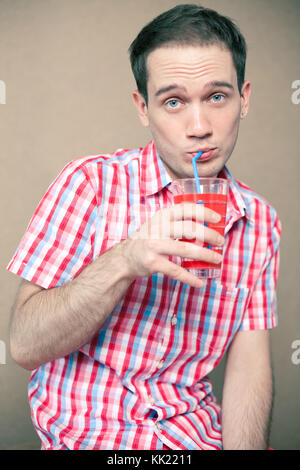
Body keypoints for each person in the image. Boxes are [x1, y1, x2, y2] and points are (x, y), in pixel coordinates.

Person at [7, 4, 281, 450]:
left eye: (217, 97)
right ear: (143, 107)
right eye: (173, 102)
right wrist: (125, 260)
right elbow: (23, 346)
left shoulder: (260, 221)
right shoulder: (89, 185)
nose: (199, 127)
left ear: (244, 99)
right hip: (91, 438)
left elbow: (249, 367)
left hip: (192, 436)